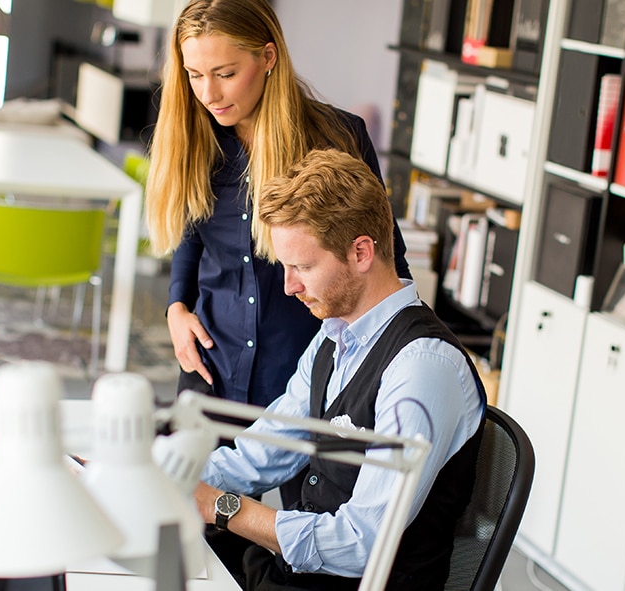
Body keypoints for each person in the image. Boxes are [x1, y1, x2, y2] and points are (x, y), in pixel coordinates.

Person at [192, 149, 485, 590]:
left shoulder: (422, 369)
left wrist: (222, 507)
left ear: (361, 252)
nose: (290, 286)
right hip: (293, 575)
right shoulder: (335, 336)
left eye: (303, 267)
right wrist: (169, 478)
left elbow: (361, 542)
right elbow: (265, 450)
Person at [144, 0, 410, 411]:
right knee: (195, 475)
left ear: (268, 57)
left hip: (302, 379)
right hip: (210, 367)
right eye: (194, 75)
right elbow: (192, 233)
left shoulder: (337, 137)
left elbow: (385, 257)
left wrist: (403, 357)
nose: (209, 94)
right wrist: (176, 308)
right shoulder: (198, 137)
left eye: (226, 74)